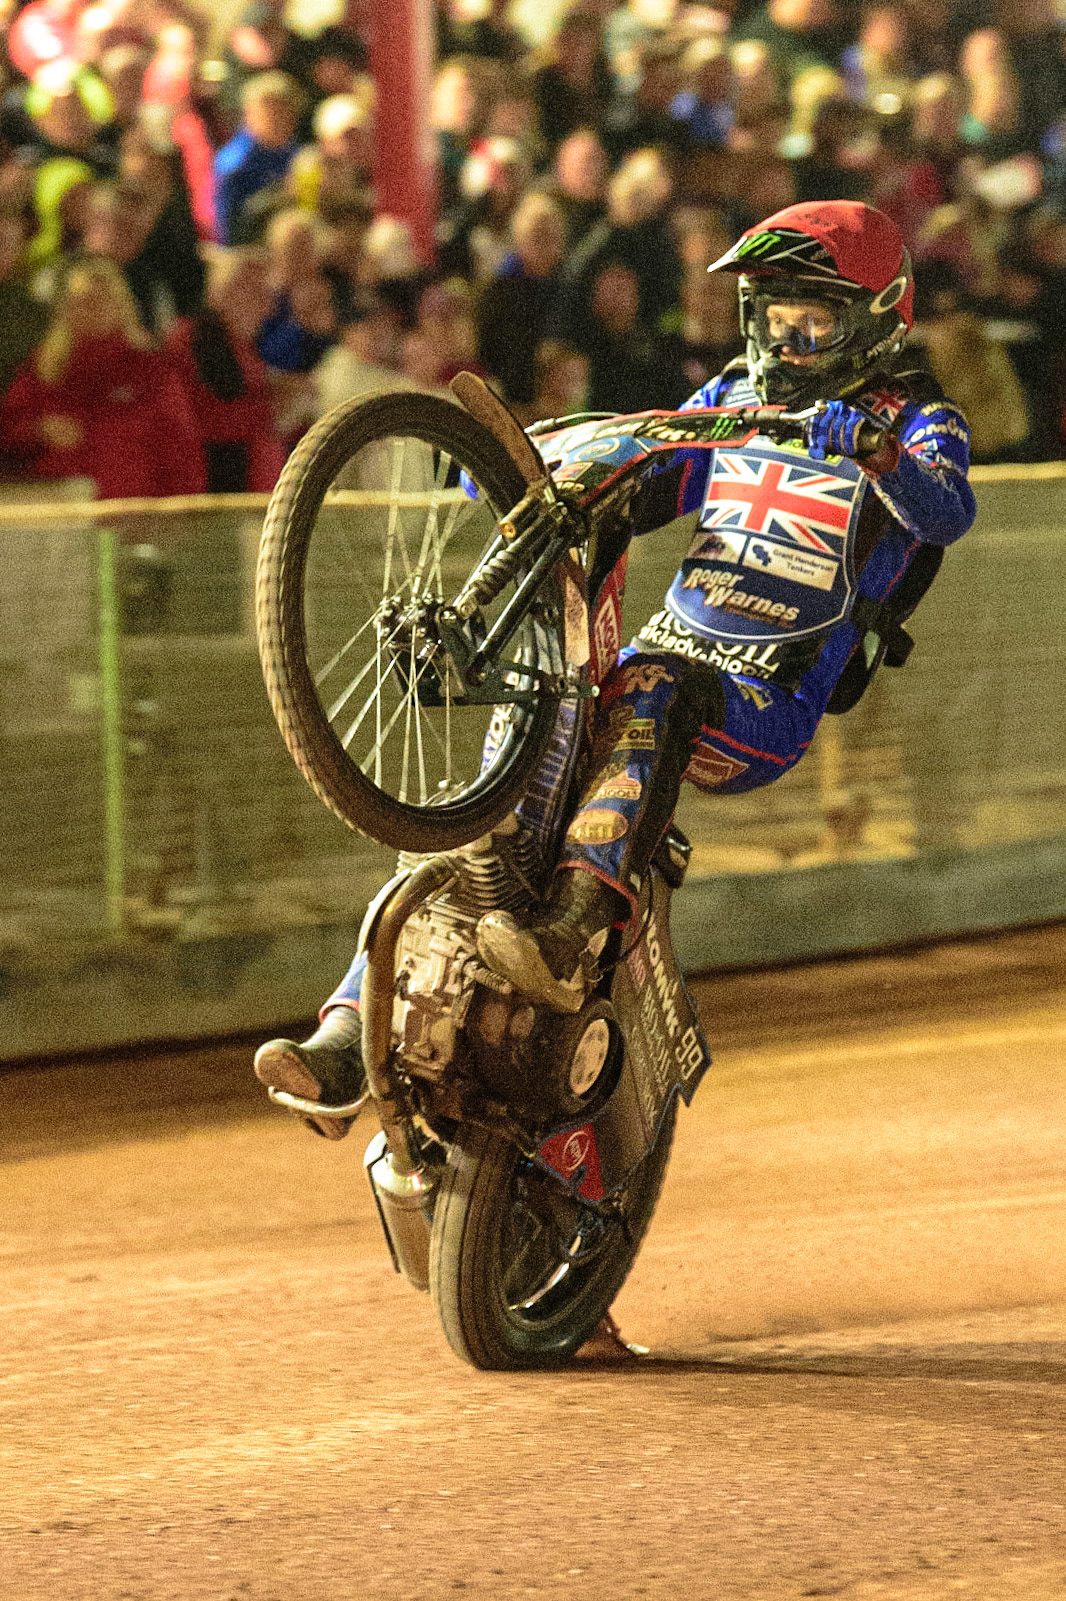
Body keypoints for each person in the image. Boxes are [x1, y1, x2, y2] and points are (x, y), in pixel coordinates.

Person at [252, 200, 976, 1135]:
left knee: (651, 681)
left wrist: (875, 450)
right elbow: (646, 476)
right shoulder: (731, 400)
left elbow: (947, 511)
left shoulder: (919, 418)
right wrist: (541, 477)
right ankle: (348, 1038)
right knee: (500, 779)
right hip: (663, 660)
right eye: (771, 315)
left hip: (765, 695)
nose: (788, 341)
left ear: (877, 316)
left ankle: (569, 929)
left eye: (814, 319)